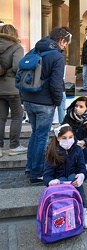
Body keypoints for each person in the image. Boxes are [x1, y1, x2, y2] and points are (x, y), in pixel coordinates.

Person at [22, 27, 68, 184]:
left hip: (28, 99)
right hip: (44, 102)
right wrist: (56, 102)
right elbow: (56, 84)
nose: (66, 46)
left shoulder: (34, 50)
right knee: (41, 137)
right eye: (66, 43)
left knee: (35, 134)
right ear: (61, 41)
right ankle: (36, 173)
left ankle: (30, 167)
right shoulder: (57, 56)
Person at [43, 124, 87, 229]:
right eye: (64, 138)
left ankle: (84, 208)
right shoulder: (52, 151)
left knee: (73, 177)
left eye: (71, 137)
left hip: (72, 179)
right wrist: (51, 182)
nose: (68, 140)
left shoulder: (77, 149)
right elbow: (47, 175)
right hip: (59, 182)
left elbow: (81, 167)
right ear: (58, 138)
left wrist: (81, 176)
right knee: (62, 179)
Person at [0, 24, 27, 157]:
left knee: (1, 118)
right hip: (12, 88)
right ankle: (14, 146)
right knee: (17, 116)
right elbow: (17, 67)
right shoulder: (16, 47)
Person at [62, 96, 87, 174]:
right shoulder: (69, 116)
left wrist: (84, 142)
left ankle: (85, 163)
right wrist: (73, 141)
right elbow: (62, 130)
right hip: (71, 141)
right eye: (76, 106)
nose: (77, 108)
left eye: (81, 107)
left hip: (86, 144)